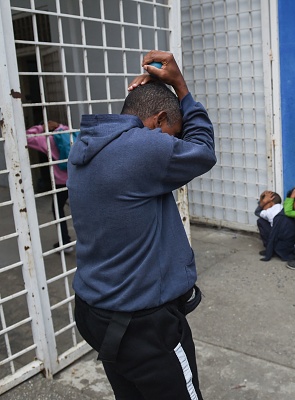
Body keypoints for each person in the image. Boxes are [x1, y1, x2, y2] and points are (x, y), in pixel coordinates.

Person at [68, 50, 216, 399]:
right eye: (173, 134)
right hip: (144, 325)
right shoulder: (142, 149)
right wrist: (179, 85)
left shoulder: (88, 146)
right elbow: (204, 150)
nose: (175, 145)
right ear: (159, 120)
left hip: (96, 312)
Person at [26, 120, 74, 253]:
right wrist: (59, 126)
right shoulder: (68, 133)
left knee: (58, 210)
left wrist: (40, 127)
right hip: (77, 179)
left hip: (60, 182)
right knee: (82, 210)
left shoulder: (48, 139)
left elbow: (25, 137)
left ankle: (65, 242)